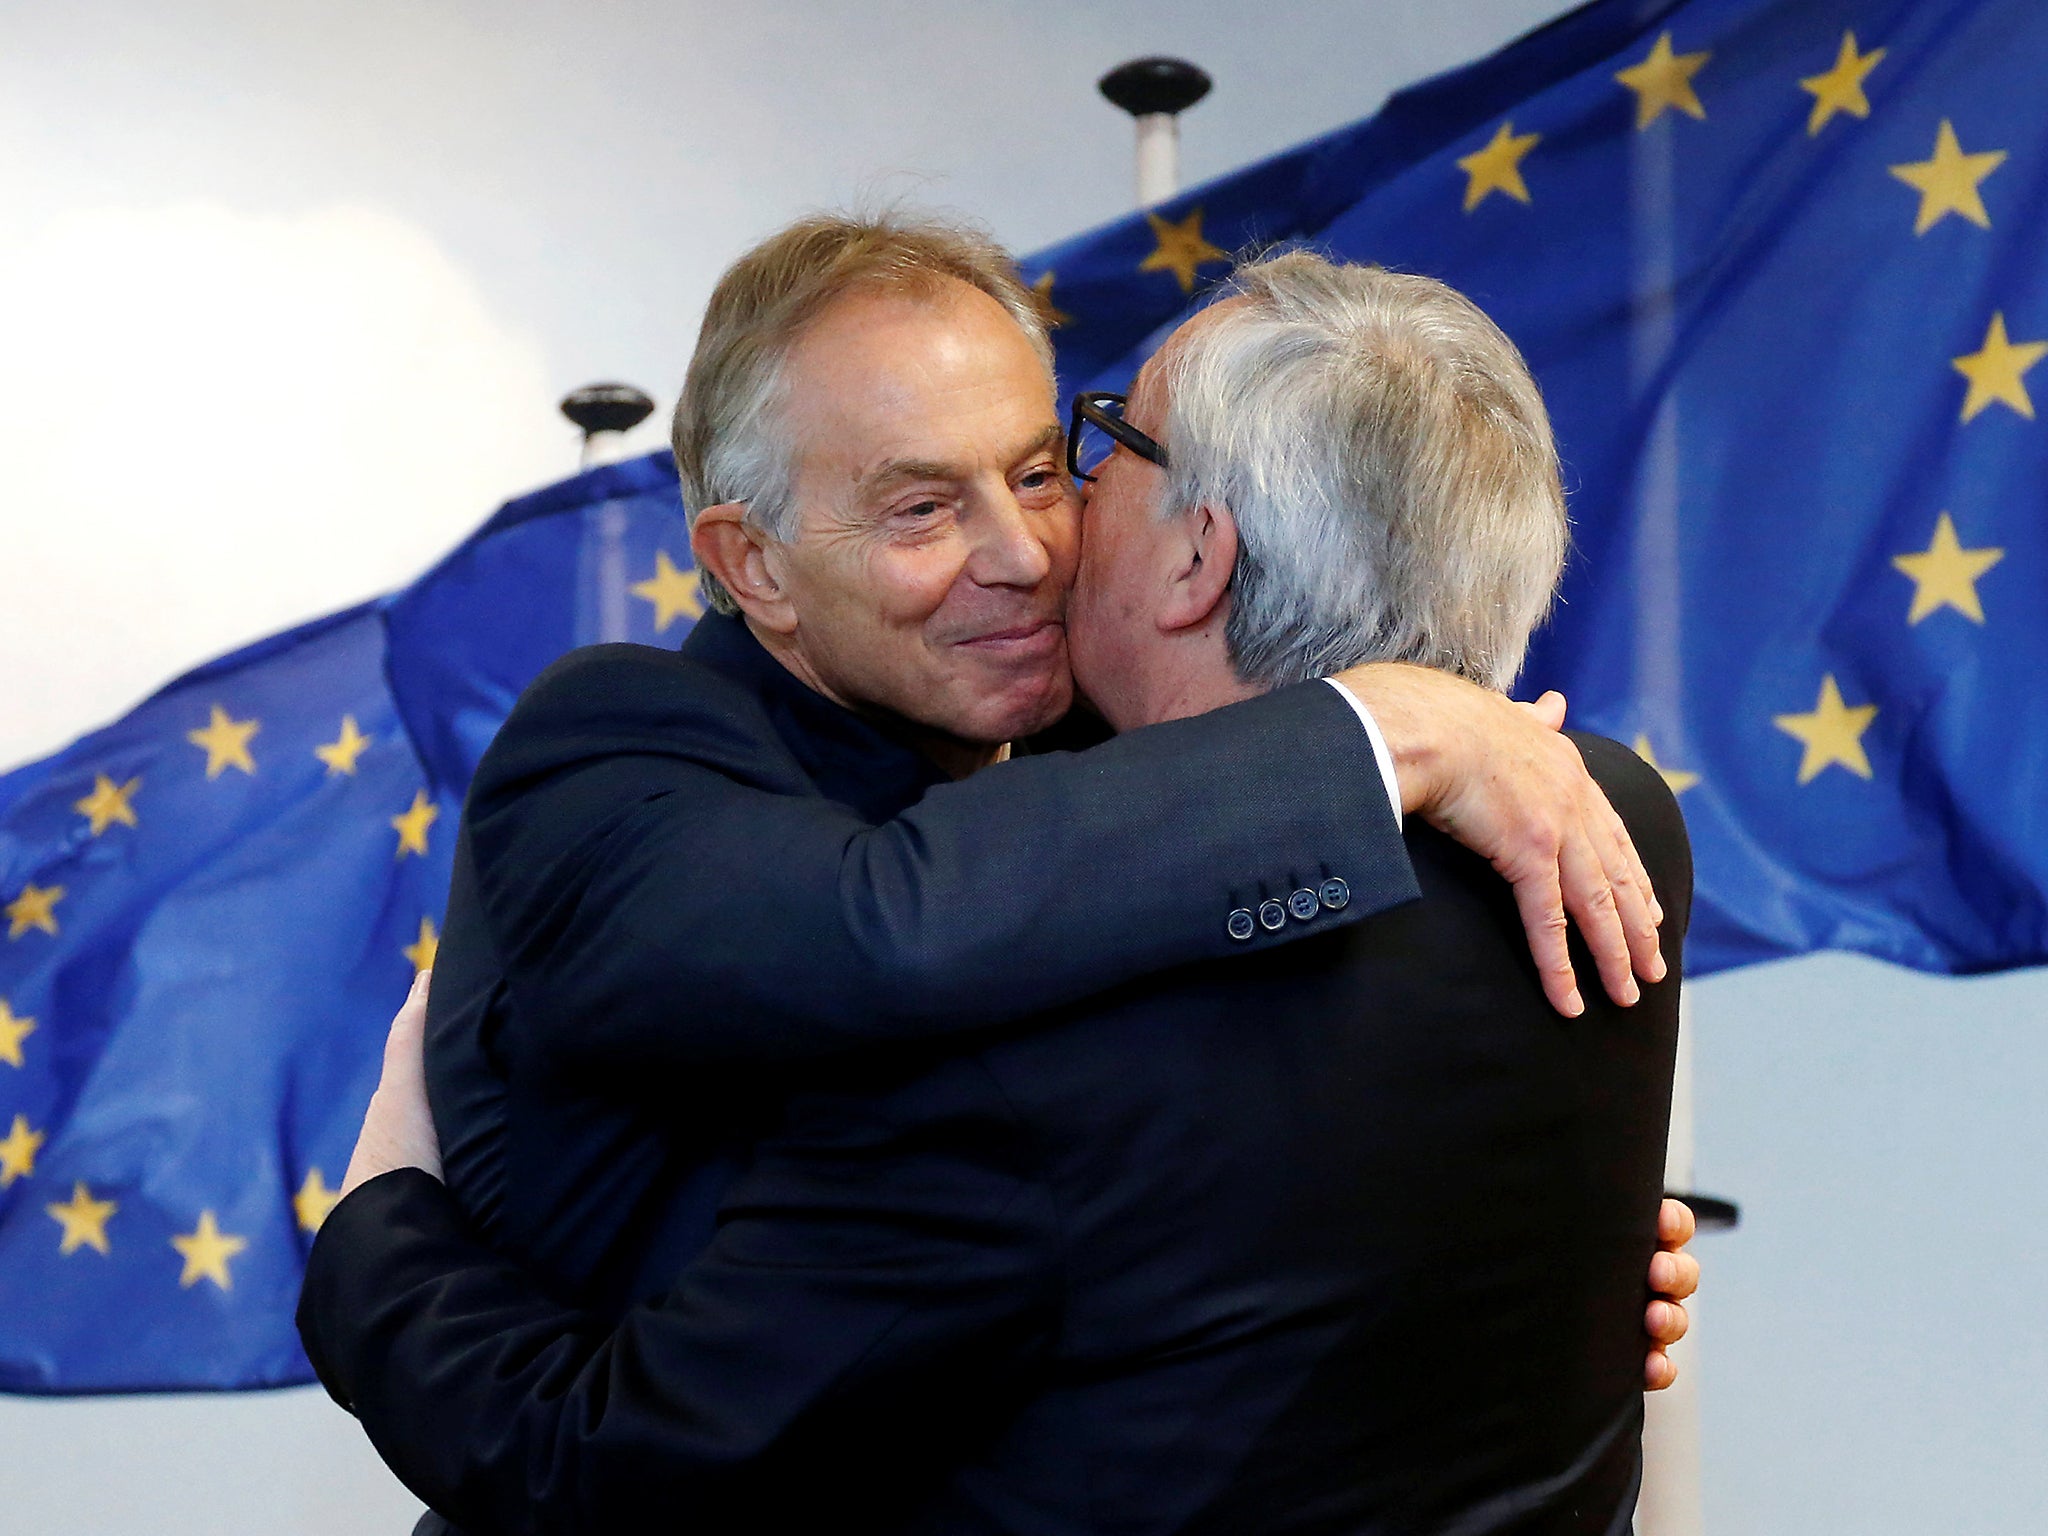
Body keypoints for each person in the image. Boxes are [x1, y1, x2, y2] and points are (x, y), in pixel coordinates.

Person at [300, 237, 1695, 1534]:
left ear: (1198, 554)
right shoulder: (619, 755)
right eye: (920, 506)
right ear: (751, 564)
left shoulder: (1151, 890)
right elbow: (885, 923)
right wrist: (1390, 725)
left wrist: (1518, 1251)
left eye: (1052, 468)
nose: (1030, 551)